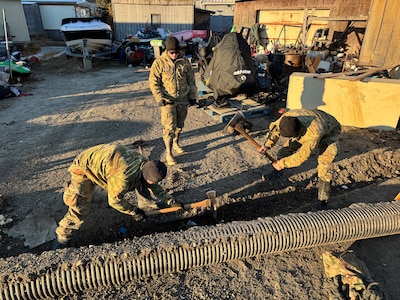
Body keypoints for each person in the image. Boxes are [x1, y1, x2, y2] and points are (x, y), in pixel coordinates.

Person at [54, 143, 181, 249]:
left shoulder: (145, 164)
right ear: (146, 173)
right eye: (152, 181)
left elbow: (153, 186)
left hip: (105, 163)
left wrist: (171, 201)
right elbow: (114, 202)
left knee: (141, 183)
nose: (153, 184)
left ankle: (146, 205)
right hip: (84, 168)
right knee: (80, 208)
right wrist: (134, 211)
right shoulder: (124, 177)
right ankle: (62, 239)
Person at [258, 109, 341, 210]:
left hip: (329, 130)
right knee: (283, 152)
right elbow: (275, 130)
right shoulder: (286, 118)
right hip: (308, 124)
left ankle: (323, 200)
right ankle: (277, 173)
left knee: (324, 164)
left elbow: (302, 156)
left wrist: (282, 163)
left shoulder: (314, 132)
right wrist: (267, 145)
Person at [149, 36, 198, 166]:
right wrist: (159, 98)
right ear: (167, 51)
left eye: (176, 52)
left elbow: (191, 80)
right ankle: (169, 152)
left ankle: (176, 143)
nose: (175, 55)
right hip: (167, 101)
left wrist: (193, 96)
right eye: (172, 52)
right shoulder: (159, 63)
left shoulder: (184, 61)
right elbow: (153, 82)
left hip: (182, 99)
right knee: (169, 127)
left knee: (179, 125)